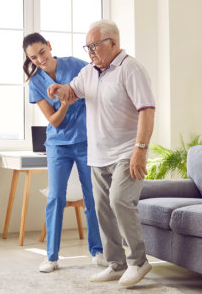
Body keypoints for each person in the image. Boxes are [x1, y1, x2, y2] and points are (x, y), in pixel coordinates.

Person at [48, 20, 155, 287]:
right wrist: (60, 90)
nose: (90, 52)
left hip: (126, 152)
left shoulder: (130, 69)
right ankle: (116, 264)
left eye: (95, 46)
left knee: (120, 200)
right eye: (88, 47)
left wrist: (140, 150)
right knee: (102, 209)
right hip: (98, 155)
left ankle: (139, 261)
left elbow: (147, 110)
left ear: (113, 43)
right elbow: (72, 92)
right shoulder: (89, 72)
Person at [22, 33, 105, 273]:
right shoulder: (35, 82)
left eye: (42, 52)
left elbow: (96, 90)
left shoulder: (77, 65)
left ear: (49, 46)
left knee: (92, 197)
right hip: (58, 145)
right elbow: (54, 122)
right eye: (33, 57)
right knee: (56, 198)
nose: (39, 59)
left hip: (86, 141)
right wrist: (66, 103)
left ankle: (97, 251)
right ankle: (51, 257)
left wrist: (69, 91)